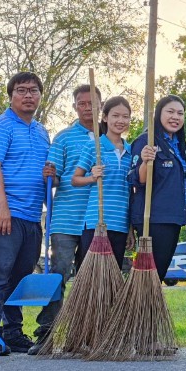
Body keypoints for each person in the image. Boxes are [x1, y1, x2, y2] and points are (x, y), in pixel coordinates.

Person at [0, 72, 54, 354]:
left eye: (33, 90)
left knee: (20, 275)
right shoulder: (1, 127)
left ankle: (12, 332)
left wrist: (50, 174)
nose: (28, 95)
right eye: (21, 90)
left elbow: (43, 170)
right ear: (11, 95)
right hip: (3, 211)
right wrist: (1, 206)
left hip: (32, 215)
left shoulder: (41, 130)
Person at [31, 84, 102, 354]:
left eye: (92, 103)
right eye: (81, 103)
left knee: (90, 278)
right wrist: (50, 174)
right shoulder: (63, 137)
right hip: (64, 218)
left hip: (96, 220)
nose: (87, 108)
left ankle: (85, 335)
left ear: (100, 105)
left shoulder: (109, 138)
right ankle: (46, 334)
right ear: (75, 107)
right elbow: (55, 176)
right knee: (58, 274)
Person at [129, 94, 186, 280]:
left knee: (159, 273)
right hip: (154, 217)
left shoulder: (180, 145)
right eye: (170, 112)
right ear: (158, 114)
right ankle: (140, 308)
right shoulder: (147, 141)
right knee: (150, 275)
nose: (175, 117)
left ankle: (149, 308)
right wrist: (146, 161)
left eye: (180, 113)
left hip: (173, 217)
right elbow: (138, 180)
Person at [73, 96, 133, 265]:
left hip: (120, 223)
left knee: (112, 277)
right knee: (90, 275)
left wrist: (129, 229)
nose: (120, 120)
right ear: (105, 117)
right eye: (115, 115)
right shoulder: (94, 146)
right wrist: (92, 177)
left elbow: (129, 192)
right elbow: (75, 179)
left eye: (125, 116)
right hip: (96, 222)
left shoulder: (131, 150)